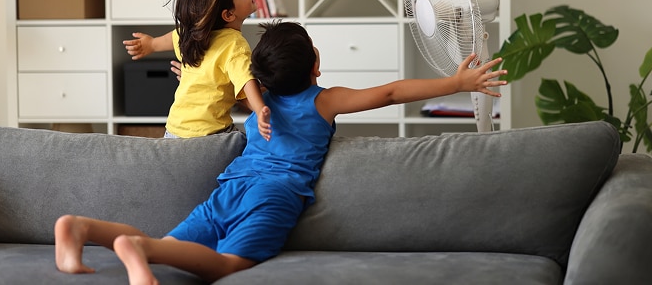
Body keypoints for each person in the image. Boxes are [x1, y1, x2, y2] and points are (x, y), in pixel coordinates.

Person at [55, 21, 508, 284]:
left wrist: (189, 77)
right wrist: (456, 83)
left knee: (170, 244)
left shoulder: (258, 98)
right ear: (315, 64)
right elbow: (389, 92)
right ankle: (136, 248)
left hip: (231, 186)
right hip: (273, 194)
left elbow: (215, 90)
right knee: (227, 265)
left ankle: (80, 226)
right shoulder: (323, 100)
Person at [123, 0, 270, 140]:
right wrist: (260, 109)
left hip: (173, 132)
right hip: (208, 136)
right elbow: (247, 80)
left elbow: (174, 36)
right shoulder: (234, 44)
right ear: (228, 15)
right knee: (241, 142)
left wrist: (152, 44)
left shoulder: (192, 36)